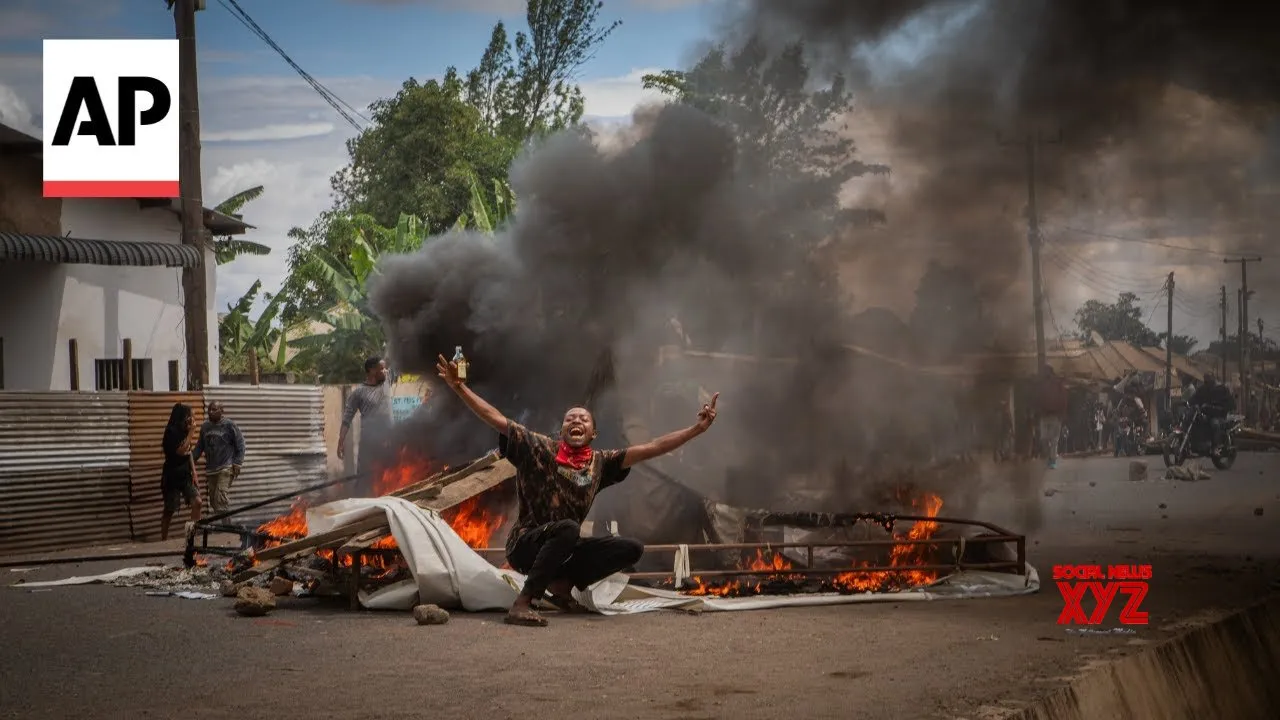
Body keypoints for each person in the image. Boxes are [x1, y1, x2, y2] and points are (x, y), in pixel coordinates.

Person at [435, 352, 719, 627]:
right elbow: (495, 418)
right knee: (568, 528)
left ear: (593, 433)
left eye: (583, 419)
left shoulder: (601, 463)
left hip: (565, 548)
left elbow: (653, 447)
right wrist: (459, 388)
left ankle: (562, 585)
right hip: (525, 546)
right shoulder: (539, 448)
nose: (576, 422)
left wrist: (696, 430)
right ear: (561, 431)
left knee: (630, 548)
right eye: (570, 419)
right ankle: (523, 603)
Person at [337, 356, 392, 480]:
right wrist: (341, 441)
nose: (385, 371)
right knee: (366, 479)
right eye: (382, 368)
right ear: (372, 371)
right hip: (369, 444)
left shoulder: (387, 381)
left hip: (388, 440)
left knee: (389, 477)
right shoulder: (359, 393)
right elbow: (347, 419)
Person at [192, 401, 246, 514]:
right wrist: (189, 462)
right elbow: (199, 447)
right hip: (211, 469)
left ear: (222, 411)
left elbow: (240, 444)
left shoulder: (229, 425)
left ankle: (228, 528)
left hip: (225, 468)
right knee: (214, 501)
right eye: (209, 409)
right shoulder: (205, 427)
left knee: (220, 499)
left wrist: (238, 462)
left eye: (214, 409)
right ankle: (226, 526)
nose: (210, 412)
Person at [160, 402, 202, 540]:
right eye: (189, 416)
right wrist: (191, 432)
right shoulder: (171, 433)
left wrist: (194, 472)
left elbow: (188, 452)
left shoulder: (185, 430)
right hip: (172, 475)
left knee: (197, 502)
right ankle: (163, 540)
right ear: (182, 417)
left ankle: (191, 537)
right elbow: (180, 451)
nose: (191, 419)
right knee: (170, 509)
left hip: (185, 474)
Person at [1189, 372, 1234, 447]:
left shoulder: (1222, 389)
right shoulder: (1202, 389)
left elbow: (1230, 403)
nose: (1206, 379)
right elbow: (1194, 398)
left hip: (1218, 415)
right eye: (1205, 377)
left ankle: (1215, 447)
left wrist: (1221, 409)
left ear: (1213, 378)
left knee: (1215, 424)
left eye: (1208, 377)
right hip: (1205, 414)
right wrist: (1187, 403)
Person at [1036, 364, 1068, 469]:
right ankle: (1050, 458)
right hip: (1045, 417)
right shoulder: (1042, 385)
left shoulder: (1057, 384)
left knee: (1053, 440)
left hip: (1054, 417)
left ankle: (1052, 461)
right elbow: (1037, 400)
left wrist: (1061, 415)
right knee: (1045, 439)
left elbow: (1064, 400)